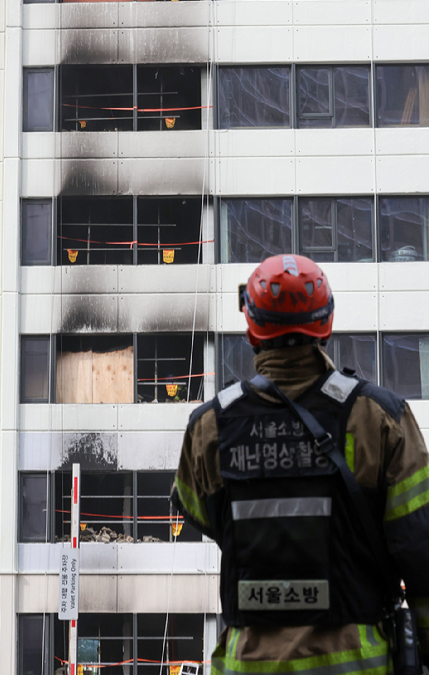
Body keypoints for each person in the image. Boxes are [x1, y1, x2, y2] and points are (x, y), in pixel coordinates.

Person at [172, 254, 429, 675]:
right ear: (324, 323)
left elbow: (204, 516)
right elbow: (420, 550)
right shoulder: (379, 418)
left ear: (252, 326)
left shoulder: (210, 427)